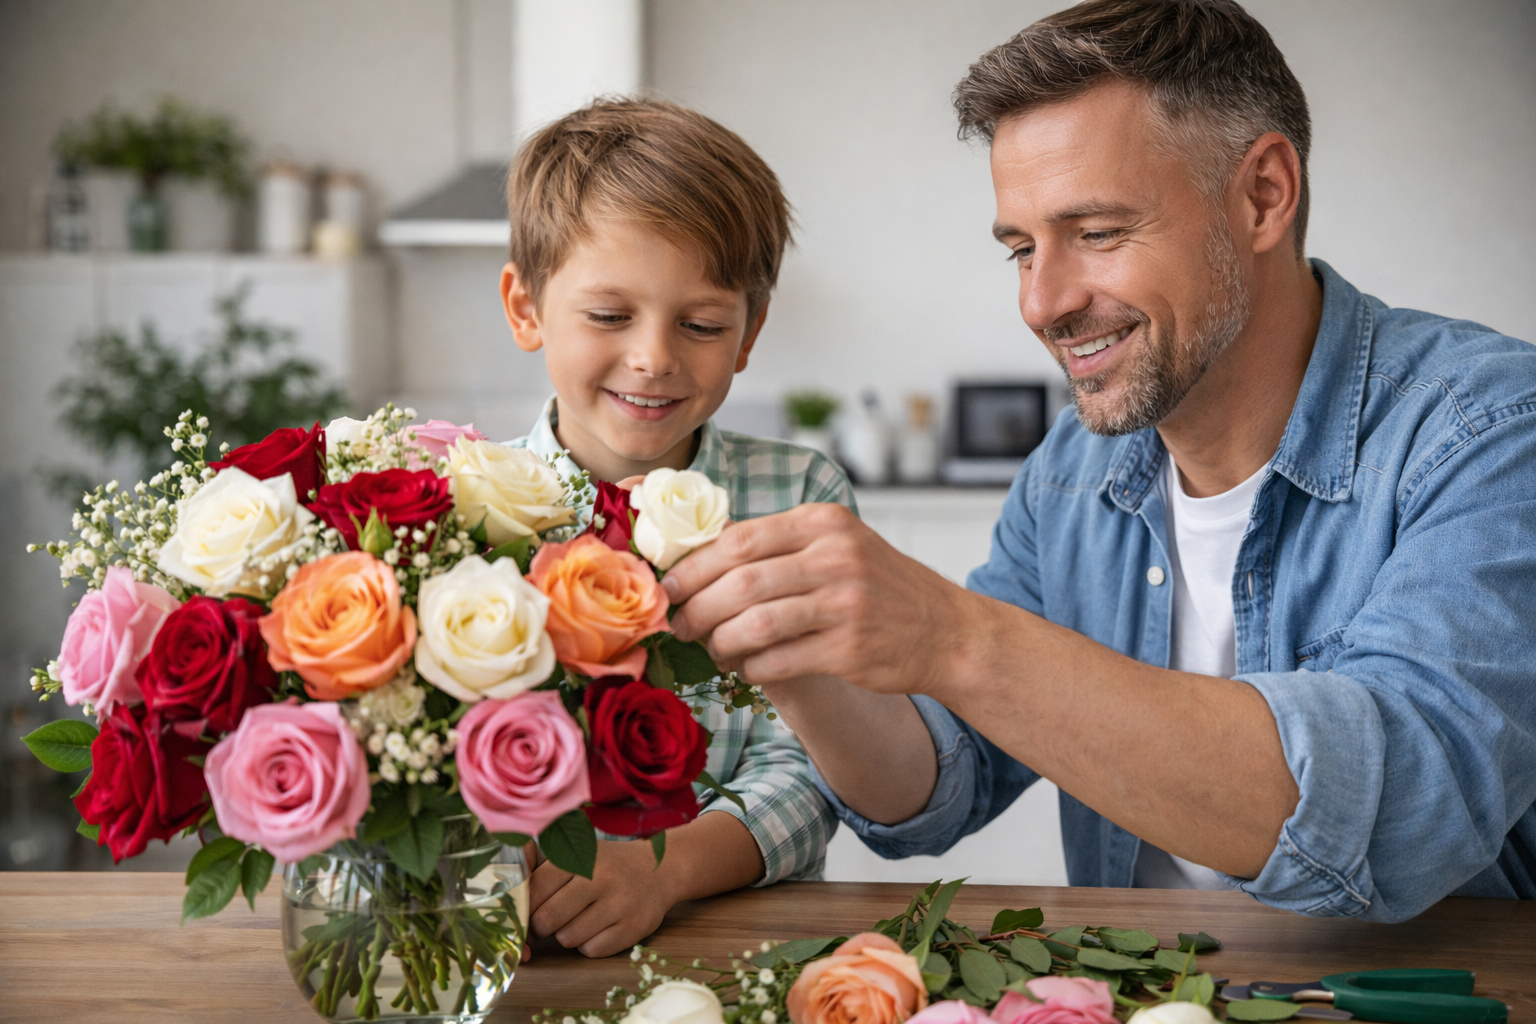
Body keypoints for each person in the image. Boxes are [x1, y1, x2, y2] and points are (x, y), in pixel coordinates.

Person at [661, 0, 1536, 923]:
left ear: (1264, 195)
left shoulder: (1490, 433)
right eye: (1022, 250)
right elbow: (937, 786)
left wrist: (955, 637)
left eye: (1099, 233)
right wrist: (792, 654)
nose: (1043, 303)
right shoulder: (1074, 468)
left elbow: (1401, 814)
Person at [497, 98, 852, 956]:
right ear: (526, 308)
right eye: (610, 316)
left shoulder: (801, 492)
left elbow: (817, 768)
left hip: (741, 939)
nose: (655, 356)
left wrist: (664, 869)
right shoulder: (458, 500)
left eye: (700, 325)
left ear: (749, 334)